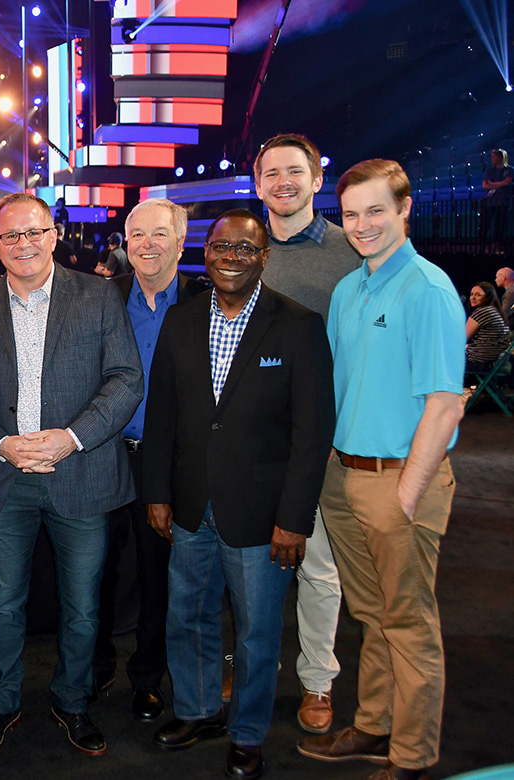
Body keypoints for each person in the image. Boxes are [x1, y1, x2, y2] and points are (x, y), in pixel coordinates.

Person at [145, 210, 335, 780]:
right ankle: (200, 710)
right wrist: (156, 491)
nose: (230, 257)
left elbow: (312, 433)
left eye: (245, 249)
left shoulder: (298, 325)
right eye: (220, 246)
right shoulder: (180, 321)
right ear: (205, 252)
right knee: (187, 615)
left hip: (263, 515)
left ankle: (248, 732)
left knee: (255, 630)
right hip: (189, 503)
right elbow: (162, 417)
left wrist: (295, 519)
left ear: (264, 257)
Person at [0, 193, 143, 759]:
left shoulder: (100, 296)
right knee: (4, 603)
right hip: (4, 476)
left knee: (83, 605)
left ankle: (73, 701)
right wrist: (4, 443)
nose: (24, 244)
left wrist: (70, 437)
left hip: (82, 472)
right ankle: (1, 703)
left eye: (34, 231)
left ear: (54, 233)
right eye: (10, 236)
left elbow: (125, 380)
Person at [297, 160, 465, 780]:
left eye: (376, 211)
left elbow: (445, 405)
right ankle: (375, 724)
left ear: (404, 210)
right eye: (353, 213)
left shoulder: (427, 289)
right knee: (371, 615)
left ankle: (413, 756)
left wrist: (408, 494)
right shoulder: (349, 289)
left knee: (410, 623)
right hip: (343, 477)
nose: (363, 225)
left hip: (400, 480)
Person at [254, 132, 362, 734]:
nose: (284, 182)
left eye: (295, 172)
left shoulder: (351, 251)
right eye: (273, 173)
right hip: (252, 441)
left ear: (317, 179)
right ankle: (253, 666)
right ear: (259, 181)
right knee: (248, 563)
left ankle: (316, 680)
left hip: (320, 439)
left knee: (319, 567)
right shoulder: (243, 247)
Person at [93, 198, 207, 721]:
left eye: (160, 235)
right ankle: (95, 669)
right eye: (137, 235)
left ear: (181, 243)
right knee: (98, 571)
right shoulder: (103, 297)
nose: (148, 245)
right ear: (124, 241)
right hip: (106, 455)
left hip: (171, 463)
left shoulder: (204, 301)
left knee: (158, 574)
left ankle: (147, 676)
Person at [465, 281, 511, 373]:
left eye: (478, 295)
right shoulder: (495, 311)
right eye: (471, 294)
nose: (473, 298)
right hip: (494, 361)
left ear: (488, 297)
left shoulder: (482, 312)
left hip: (480, 362)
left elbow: (462, 338)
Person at [481, 148, 512, 252]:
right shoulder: (489, 171)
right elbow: (485, 185)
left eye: (494, 156)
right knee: (485, 224)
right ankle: (483, 246)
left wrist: (493, 184)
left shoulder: (509, 169)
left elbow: (507, 182)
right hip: (490, 201)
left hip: (502, 201)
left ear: (500, 157)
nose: (492, 158)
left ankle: (496, 245)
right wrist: (500, 184)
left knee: (499, 225)